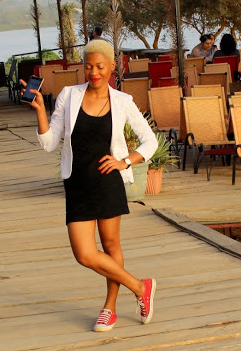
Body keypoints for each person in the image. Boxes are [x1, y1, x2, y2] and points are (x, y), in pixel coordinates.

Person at [24, 39, 158, 332]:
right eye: (88, 66)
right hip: (77, 182)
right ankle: (140, 286)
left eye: (100, 66)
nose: (93, 72)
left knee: (111, 246)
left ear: (112, 66)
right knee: (84, 253)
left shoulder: (122, 101)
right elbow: (49, 144)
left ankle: (109, 309)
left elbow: (150, 140)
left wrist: (125, 161)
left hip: (108, 181)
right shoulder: (68, 96)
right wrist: (39, 112)